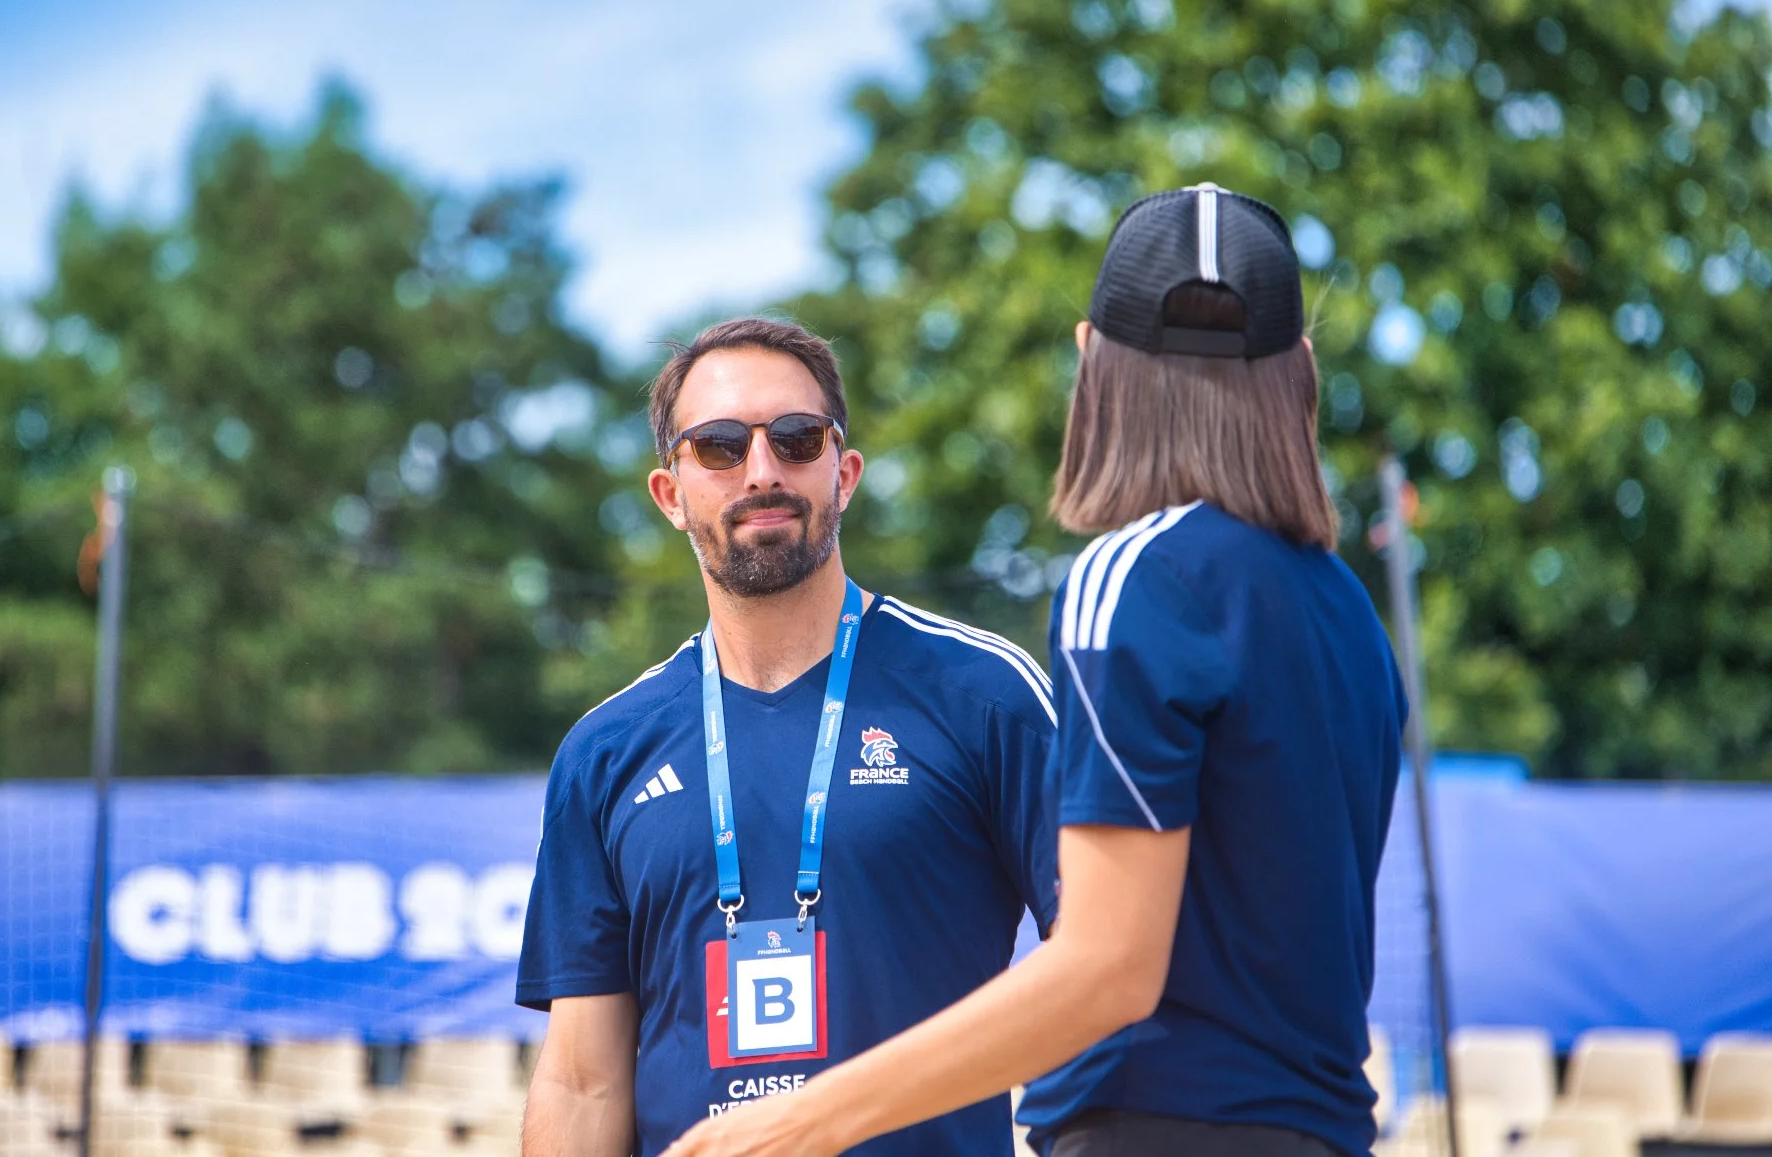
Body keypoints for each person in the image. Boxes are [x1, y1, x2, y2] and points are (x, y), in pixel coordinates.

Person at [662, 184, 1408, 1157]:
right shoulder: (1349, 612)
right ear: (1301, 368)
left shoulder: (1134, 576)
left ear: (1091, 354)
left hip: (1153, 1127)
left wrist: (798, 1121)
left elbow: (1106, 966)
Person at [516, 317, 1059, 1156]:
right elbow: (584, 1079)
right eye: (721, 447)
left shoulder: (984, 695)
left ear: (844, 474)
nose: (762, 471)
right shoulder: (605, 751)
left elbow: (1106, 972)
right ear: (670, 494)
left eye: (797, 439)